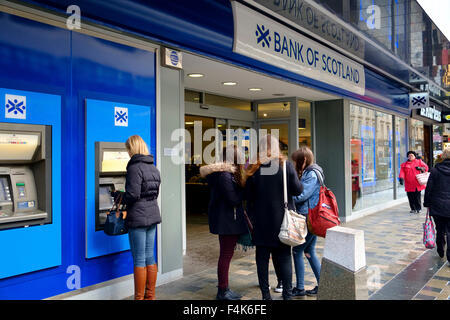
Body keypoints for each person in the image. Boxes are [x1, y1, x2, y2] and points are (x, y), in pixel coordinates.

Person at [244, 135, 303, 300]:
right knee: (284, 258)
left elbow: (247, 195)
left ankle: (265, 296)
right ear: (277, 148)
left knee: (262, 259)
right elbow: (298, 190)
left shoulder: (254, 168)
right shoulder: (286, 166)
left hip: (261, 223)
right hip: (282, 222)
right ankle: (287, 295)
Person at [112, 135, 161, 300]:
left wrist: (118, 195)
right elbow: (153, 194)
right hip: (152, 216)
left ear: (131, 149)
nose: (127, 153)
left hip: (138, 218)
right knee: (150, 256)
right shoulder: (153, 167)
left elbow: (133, 195)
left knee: (139, 258)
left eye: (127, 150)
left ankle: (139, 298)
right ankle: (150, 296)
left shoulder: (134, 167)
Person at [199, 144, 248, 300]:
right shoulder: (224, 176)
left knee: (226, 254)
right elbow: (233, 199)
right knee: (226, 255)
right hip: (228, 221)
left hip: (226, 220)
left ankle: (224, 288)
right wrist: (245, 192)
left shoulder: (222, 174)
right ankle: (222, 290)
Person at [291, 146, 322, 297]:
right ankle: (323, 284)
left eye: (297, 161)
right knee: (309, 251)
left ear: (304, 160)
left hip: (307, 218)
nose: (295, 164)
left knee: (297, 251)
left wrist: (288, 197)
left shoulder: (312, 174)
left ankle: (300, 288)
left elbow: (302, 195)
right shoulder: (312, 172)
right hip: (311, 217)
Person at [423, 147, 450, 263]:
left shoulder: (435, 170)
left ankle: (440, 249)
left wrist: (426, 203)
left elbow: (429, 189)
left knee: (440, 229)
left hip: (437, 205)